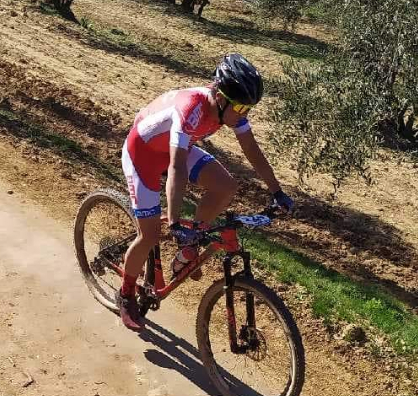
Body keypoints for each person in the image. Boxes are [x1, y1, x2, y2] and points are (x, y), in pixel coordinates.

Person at [118, 53, 294, 331]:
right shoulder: (192, 109)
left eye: (248, 109)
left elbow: (251, 150)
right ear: (221, 97)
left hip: (176, 149)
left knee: (226, 186)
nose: (243, 114)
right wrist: (175, 222)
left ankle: (189, 246)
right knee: (150, 235)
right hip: (143, 154)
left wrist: (277, 192)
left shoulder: (230, 111)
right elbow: (177, 168)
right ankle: (126, 294)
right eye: (241, 107)